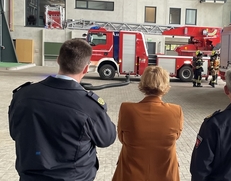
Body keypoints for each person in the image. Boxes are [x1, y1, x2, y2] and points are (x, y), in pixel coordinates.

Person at [8, 38, 116, 181]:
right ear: (86, 68)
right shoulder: (89, 106)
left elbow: (15, 132)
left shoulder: (23, 96)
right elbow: (107, 139)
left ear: (58, 60)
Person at [112, 66, 183, 181]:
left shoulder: (127, 109)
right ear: (165, 84)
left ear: (143, 82)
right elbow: (176, 137)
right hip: (165, 174)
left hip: (131, 174)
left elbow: (122, 138)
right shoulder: (176, 111)